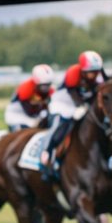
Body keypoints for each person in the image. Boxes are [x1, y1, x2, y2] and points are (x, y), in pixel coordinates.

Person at [40, 51, 104, 181]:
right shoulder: (73, 72)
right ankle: (47, 154)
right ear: (83, 70)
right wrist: (81, 106)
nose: (94, 75)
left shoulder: (99, 77)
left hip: (81, 105)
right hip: (63, 104)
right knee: (60, 126)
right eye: (91, 71)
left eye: (96, 71)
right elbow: (72, 91)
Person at [5, 64, 55, 131]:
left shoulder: (51, 90)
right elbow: (29, 112)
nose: (46, 89)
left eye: (48, 85)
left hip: (34, 114)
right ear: (36, 83)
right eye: (43, 86)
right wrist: (42, 106)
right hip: (17, 114)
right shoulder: (26, 88)